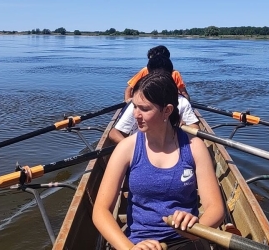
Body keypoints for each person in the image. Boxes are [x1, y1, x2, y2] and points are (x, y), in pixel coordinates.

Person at [93, 72, 224, 250]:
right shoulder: (127, 148)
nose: (135, 115)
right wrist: (128, 248)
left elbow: (215, 208)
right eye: (134, 106)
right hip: (139, 243)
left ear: (167, 110)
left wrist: (196, 228)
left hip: (187, 240)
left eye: (144, 109)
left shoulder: (194, 147)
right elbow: (100, 211)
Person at [111, 55, 199, 144]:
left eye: (145, 109)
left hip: (173, 146)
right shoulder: (140, 101)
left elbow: (195, 129)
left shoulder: (182, 102)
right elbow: (114, 133)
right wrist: (134, 148)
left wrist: (183, 131)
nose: (137, 114)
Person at [125, 45, 190, 101]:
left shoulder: (175, 73)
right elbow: (129, 88)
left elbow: (183, 92)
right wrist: (128, 101)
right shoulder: (145, 70)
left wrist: (187, 103)